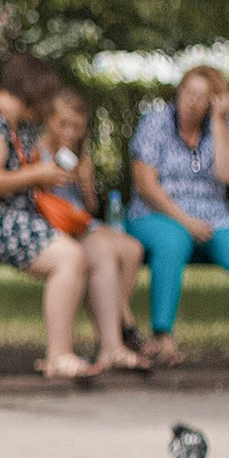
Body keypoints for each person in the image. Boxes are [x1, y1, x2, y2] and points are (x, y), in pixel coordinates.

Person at [0, 53, 140, 378]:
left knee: (99, 251)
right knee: (69, 257)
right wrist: (38, 174)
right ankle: (59, 356)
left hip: (13, 215)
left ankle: (112, 347)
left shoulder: (11, 124)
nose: (47, 106)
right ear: (32, 91)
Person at [123, 66, 229, 373]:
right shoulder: (156, 122)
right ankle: (162, 336)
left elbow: (227, 174)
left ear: (213, 101)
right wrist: (186, 221)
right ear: (179, 92)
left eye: (202, 97)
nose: (192, 102)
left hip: (213, 216)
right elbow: (145, 184)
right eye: (188, 93)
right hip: (157, 213)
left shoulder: (222, 125)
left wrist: (218, 121)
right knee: (173, 241)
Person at [37, 88, 150, 370]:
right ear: (50, 121)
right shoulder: (37, 151)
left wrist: (85, 184)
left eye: (76, 127)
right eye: (63, 125)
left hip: (79, 222)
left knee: (132, 249)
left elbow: (90, 208)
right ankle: (121, 332)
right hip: (56, 225)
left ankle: (114, 331)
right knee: (105, 250)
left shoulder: (82, 156)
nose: (69, 132)